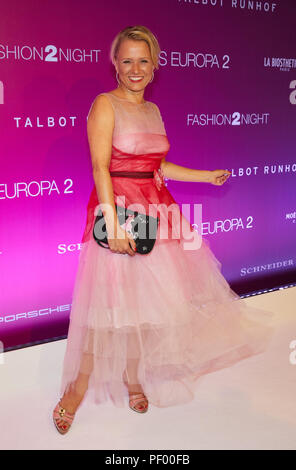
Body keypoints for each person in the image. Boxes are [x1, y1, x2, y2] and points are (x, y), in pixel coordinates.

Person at [53, 25, 275, 434]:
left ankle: (132, 378)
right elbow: (101, 166)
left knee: (145, 310)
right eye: (127, 61)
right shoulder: (105, 104)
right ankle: (76, 388)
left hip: (158, 214)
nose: (135, 69)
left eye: (143, 60)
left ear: (154, 65)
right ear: (114, 64)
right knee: (105, 309)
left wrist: (205, 176)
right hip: (118, 211)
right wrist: (114, 223)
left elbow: (156, 167)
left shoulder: (153, 111)